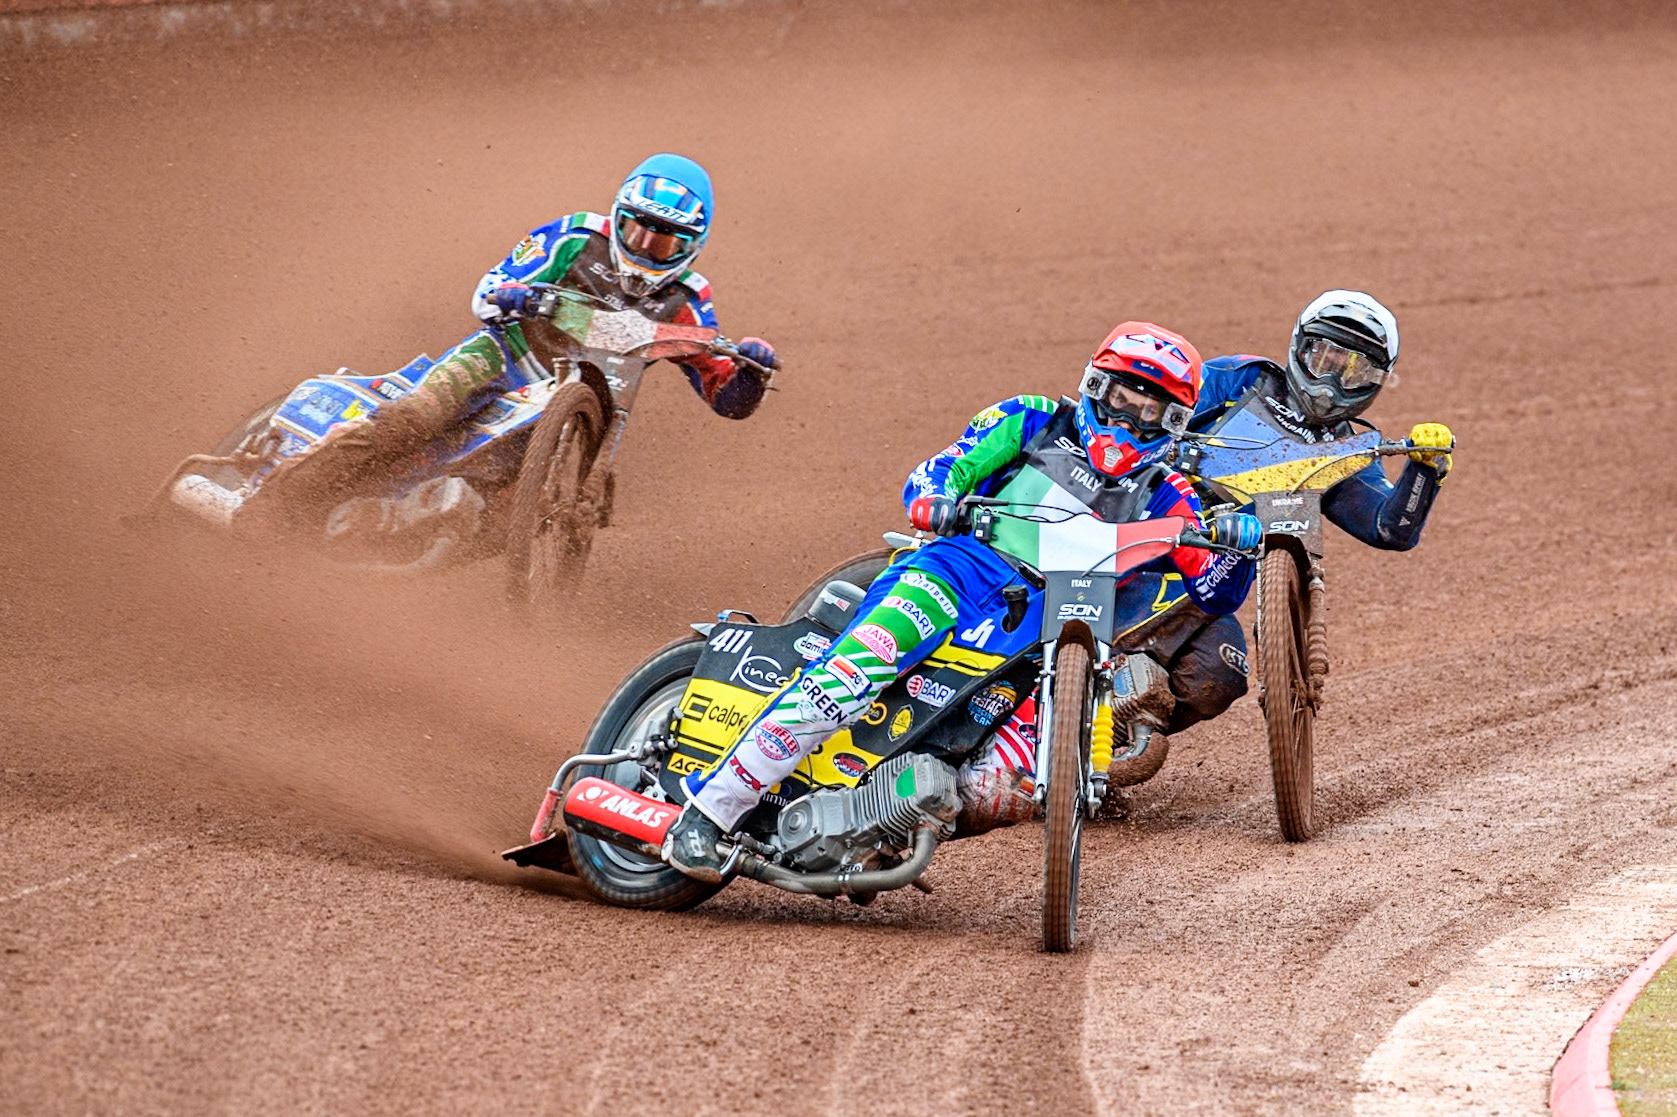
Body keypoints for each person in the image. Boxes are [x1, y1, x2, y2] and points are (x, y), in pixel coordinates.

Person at [662, 322, 1263, 881]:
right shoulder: (1033, 419)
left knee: (1006, 781)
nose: (1130, 419)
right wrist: (936, 499)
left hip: (1049, 622)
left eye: (1150, 410)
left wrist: (1237, 544)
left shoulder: (1169, 492)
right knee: (850, 677)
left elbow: (1214, 590)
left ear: (1174, 421)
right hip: (957, 571)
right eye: (1122, 399)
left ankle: (878, 824)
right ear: (1095, 387)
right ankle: (706, 816)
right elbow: (945, 467)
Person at [250, 152, 779, 542]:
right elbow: (487, 291)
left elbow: (726, 398)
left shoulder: (689, 300)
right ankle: (274, 506)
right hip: (502, 358)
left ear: (691, 245)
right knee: (413, 419)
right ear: (617, 216)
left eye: (661, 241)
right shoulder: (575, 237)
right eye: (635, 230)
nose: (643, 248)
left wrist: (751, 373)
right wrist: (514, 295)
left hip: (580, 405)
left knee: (506, 516)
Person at [1175, 290, 1456, 710]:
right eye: (1324, 358)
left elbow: (1390, 529)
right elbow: (1153, 416)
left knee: (1218, 678)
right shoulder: (1239, 379)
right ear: (1300, 347)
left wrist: (1426, 469)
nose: (1331, 384)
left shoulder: (1348, 452)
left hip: (1208, 584)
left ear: (1377, 381)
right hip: (1154, 528)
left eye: (1354, 372)